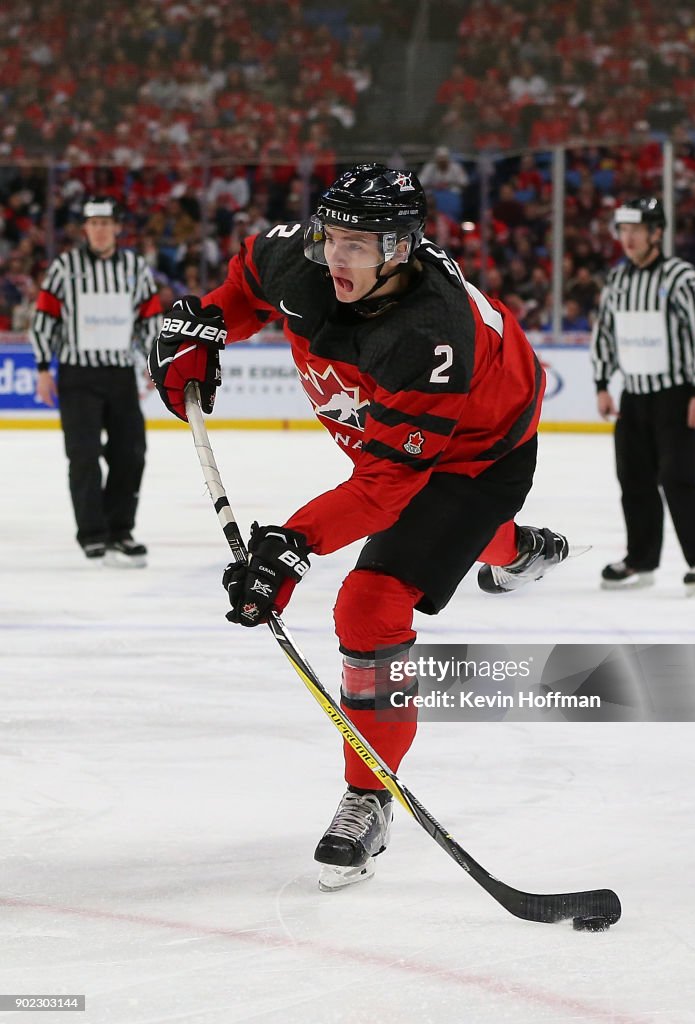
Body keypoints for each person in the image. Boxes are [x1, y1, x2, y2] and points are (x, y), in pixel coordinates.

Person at [148, 164, 569, 891]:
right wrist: (207, 329)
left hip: (479, 451)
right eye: (330, 238)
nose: (335, 258)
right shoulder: (302, 260)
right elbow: (245, 289)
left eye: (358, 245)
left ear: (401, 248)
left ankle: (368, 794)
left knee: (371, 602)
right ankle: (514, 549)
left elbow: (385, 489)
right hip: (398, 437)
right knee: (464, 543)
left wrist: (291, 546)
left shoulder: (429, 336)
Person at [590, 197, 695, 596]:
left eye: (636, 230)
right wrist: (602, 383)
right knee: (633, 479)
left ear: (657, 233)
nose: (627, 239)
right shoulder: (618, 280)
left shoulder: (681, 277)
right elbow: (607, 333)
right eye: (623, 231)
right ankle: (639, 559)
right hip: (634, 395)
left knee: (679, 478)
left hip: (678, 396)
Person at [30, 196, 163, 566]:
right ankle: (92, 533)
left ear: (117, 227)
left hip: (120, 374)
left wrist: (152, 363)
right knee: (84, 455)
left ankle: (120, 529)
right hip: (77, 375)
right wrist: (44, 368)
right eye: (94, 224)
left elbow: (148, 319)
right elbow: (45, 318)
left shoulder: (135, 268)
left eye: (107, 223)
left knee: (131, 453)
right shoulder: (65, 268)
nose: (100, 230)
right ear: (86, 229)